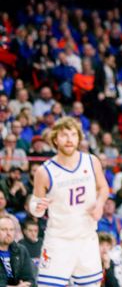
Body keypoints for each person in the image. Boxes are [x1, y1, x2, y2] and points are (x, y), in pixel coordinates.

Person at [29, 116, 109, 287]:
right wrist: (38, 207)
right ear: (55, 139)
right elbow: (35, 208)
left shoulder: (91, 161)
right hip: (59, 240)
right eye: (64, 135)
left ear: (79, 138)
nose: (69, 139)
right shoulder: (44, 171)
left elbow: (104, 188)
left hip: (86, 239)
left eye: (73, 135)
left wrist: (100, 204)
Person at [0, 215, 35, 287]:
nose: (8, 233)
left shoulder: (21, 250)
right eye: (4, 229)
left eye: (11, 229)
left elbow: (30, 279)